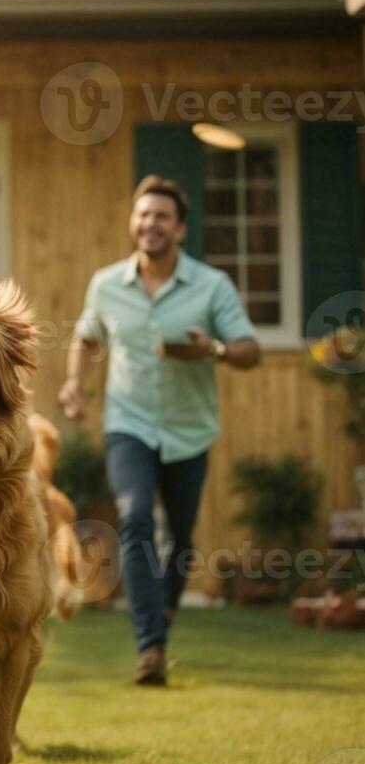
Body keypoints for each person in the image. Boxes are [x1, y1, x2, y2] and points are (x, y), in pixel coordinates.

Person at [59, 175, 259, 686]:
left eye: (162, 216)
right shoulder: (107, 283)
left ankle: (162, 614)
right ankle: (150, 648)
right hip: (129, 425)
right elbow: (86, 336)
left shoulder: (211, 286)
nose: (151, 224)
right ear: (133, 223)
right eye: (143, 215)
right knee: (135, 521)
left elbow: (248, 349)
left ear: (180, 229)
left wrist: (210, 349)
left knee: (180, 536)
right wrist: (75, 385)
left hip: (190, 431)